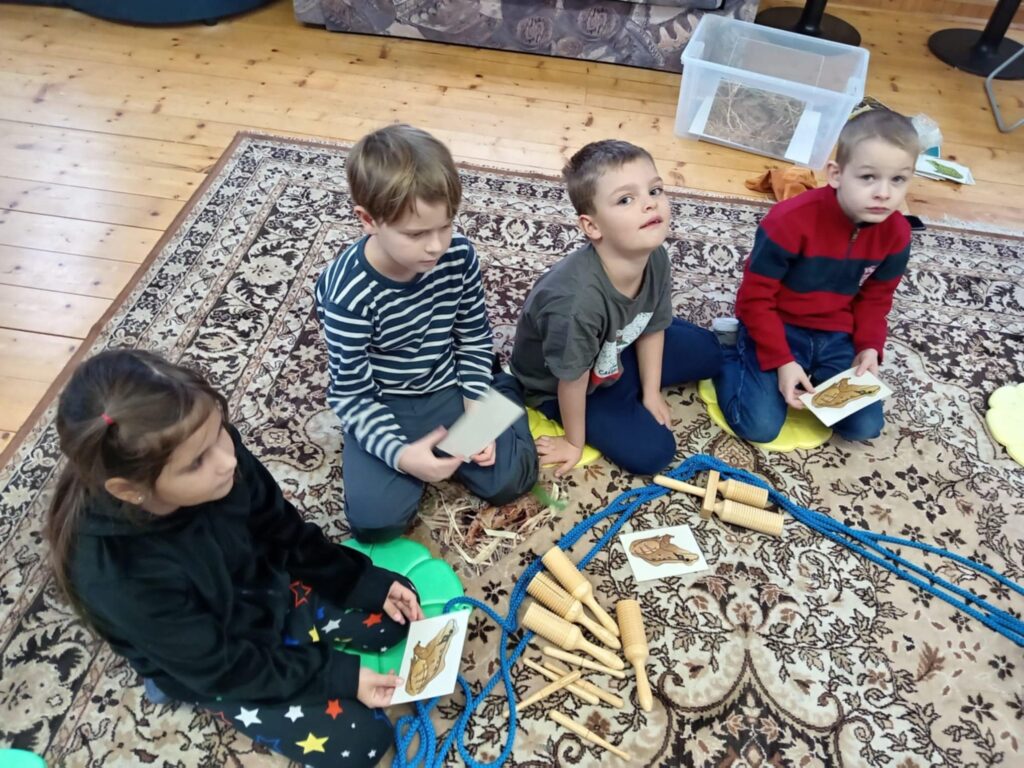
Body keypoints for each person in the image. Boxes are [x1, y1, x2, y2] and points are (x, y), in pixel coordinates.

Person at [46, 349, 422, 768]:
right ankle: (183, 679)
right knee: (363, 743)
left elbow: (281, 528)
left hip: (255, 589)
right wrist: (338, 676)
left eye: (219, 432)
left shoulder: (217, 457)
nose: (228, 460)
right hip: (212, 658)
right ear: (130, 490)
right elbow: (222, 666)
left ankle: (292, 626)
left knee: (398, 612)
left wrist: (356, 580)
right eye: (197, 462)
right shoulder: (117, 574)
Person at [316, 124, 537, 542]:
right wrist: (402, 456)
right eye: (416, 234)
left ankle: (501, 390)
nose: (436, 246)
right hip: (385, 400)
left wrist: (476, 406)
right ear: (368, 220)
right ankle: (441, 434)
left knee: (510, 480)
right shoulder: (347, 294)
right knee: (375, 524)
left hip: (448, 385)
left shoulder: (459, 256)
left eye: (446, 226)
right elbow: (351, 394)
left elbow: (473, 336)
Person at [510, 139, 723, 476]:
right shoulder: (574, 303)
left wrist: (651, 393)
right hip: (567, 386)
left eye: (654, 190)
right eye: (626, 199)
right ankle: (620, 394)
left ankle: (633, 384)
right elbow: (572, 381)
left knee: (712, 353)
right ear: (592, 226)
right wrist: (574, 442)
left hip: (618, 350)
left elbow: (651, 325)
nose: (649, 204)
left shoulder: (656, 256)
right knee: (654, 453)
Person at [712, 109, 920, 443]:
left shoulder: (897, 233)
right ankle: (725, 350)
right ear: (836, 174)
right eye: (868, 177)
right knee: (759, 426)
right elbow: (755, 298)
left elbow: (877, 298)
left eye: (898, 180)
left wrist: (869, 346)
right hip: (777, 324)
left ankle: (808, 368)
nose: (884, 193)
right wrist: (782, 360)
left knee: (864, 427)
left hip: (836, 334)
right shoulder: (788, 221)